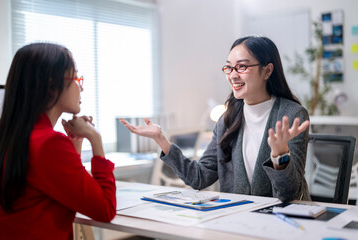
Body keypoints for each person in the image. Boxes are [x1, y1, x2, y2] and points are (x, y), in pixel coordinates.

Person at [120, 36, 311, 202]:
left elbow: (289, 195)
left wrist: (280, 155)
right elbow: (199, 177)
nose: (232, 75)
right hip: (236, 222)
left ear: (267, 71)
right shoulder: (227, 120)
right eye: (229, 68)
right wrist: (161, 139)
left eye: (242, 67)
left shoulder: (292, 116)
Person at [0, 43, 116, 239]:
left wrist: (75, 142)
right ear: (52, 86)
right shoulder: (48, 144)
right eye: (76, 78)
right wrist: (95, 139)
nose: (82, 87)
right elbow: (105, 209)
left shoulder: (9, 134)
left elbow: (67, 190)